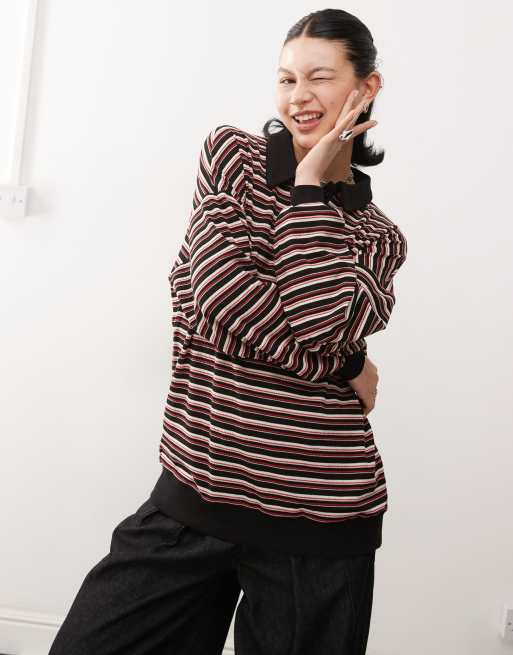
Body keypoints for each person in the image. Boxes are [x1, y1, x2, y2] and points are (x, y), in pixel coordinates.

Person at [48, 8, 407, 655]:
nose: (298, 96)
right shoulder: (233, 157)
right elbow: (216, 296)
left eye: (319, 77)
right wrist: (344, 364)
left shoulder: (379, 237)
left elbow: (319, 322)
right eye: (286, 79)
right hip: (194, 493)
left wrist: (308, 191)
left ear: (367, 87)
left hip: (321, 518)